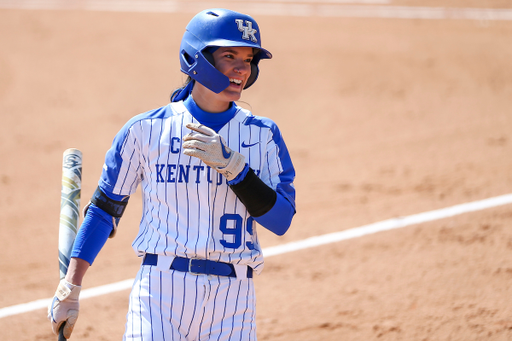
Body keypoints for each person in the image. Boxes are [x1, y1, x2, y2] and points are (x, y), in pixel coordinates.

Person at [48, 8, 296, 340]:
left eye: (249, 59)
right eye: (229, 55)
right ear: (198, 58)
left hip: (234, 301)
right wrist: (71, 287)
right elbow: (104, 210)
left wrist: (235, 168)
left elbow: (280, 221)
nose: (242, 68)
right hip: (159, 294)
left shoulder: (262, 135)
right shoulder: (146, 131)